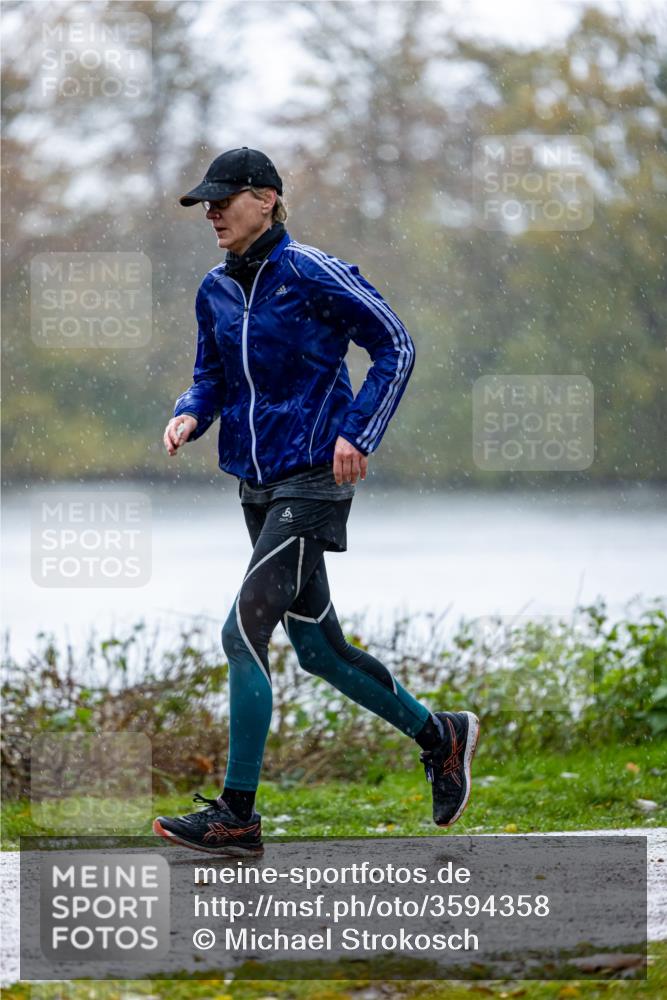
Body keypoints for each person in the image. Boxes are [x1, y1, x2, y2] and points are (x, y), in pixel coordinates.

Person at [153, 147, 479, 855]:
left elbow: (393, 344)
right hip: (256, 485)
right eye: (204, 203)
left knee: (243, 633)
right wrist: (190, 412)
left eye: (223, 199)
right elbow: (210, 374)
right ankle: (440, 735)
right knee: (319, 649)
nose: (210, 212)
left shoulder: (310, 273)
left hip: (312, 480)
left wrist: (356, 432)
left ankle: (236, 816)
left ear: (266, 198)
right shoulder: (213, 287)